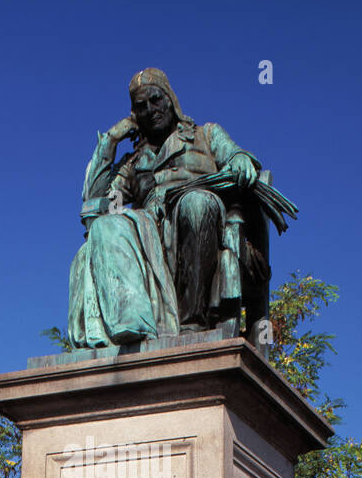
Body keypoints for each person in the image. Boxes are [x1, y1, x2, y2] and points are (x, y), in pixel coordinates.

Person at [68, 68, 267, 348]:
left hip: (201, 221)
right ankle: (134, 322)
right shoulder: (133, 162)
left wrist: (239, 161)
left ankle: (192, 323)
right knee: (107, 225)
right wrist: (111, 141)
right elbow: (95, 202)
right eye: (141, 107)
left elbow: (235, 155)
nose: (150, 110)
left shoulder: (205, 135)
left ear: (170, 99)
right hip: (151, 234)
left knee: (196, 203)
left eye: (155, 100)